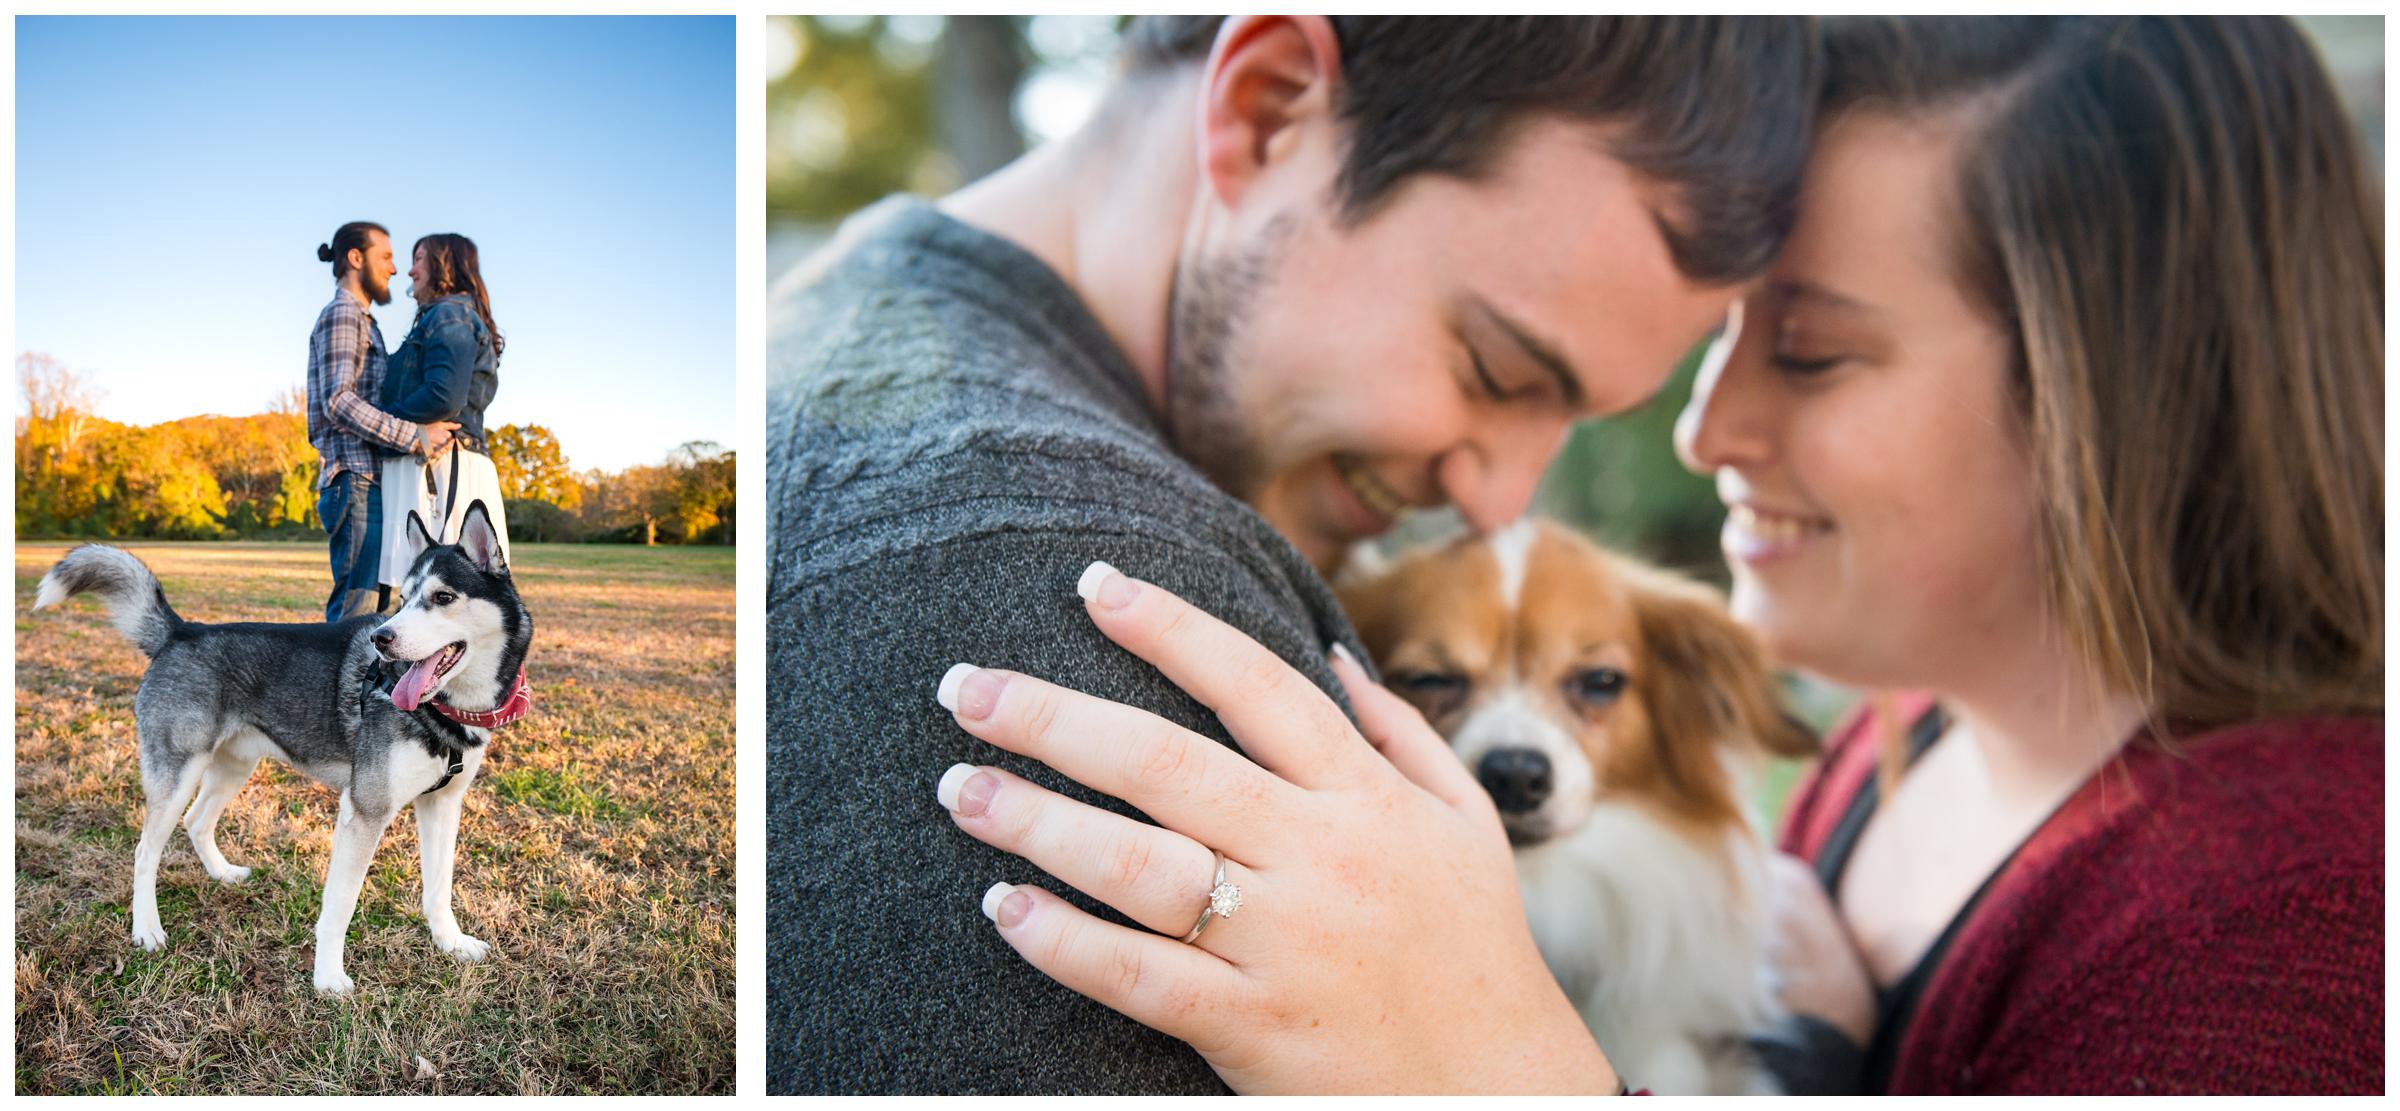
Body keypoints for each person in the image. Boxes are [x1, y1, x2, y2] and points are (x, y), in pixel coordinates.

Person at [928, 14, 2383, 1095]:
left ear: (2119, 391)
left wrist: (1498, 1066)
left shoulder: (2293, 920)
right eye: (1720, 340)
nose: (1705, 429)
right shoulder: (1888, 758)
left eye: (1808, 351)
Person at [765, 15, 1818, 1093]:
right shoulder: (1092, 594)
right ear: (1266, 111)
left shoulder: (833, 329)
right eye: (1494, 368)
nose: (1494, 496)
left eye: (1574, 419)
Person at [306, 221, 458, 621]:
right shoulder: (343, 315)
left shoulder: (363, 321)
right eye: (386, 257)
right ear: (356, 258)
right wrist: (415, 435)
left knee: (375, 609)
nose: (394, 269)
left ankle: (363, 686)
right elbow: (338, 401)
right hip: (354, 479)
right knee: (357, 610)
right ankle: (338, 687)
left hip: (369, 480)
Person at [376, 232, 513, 583]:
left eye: (418, 259)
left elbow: (444, 395)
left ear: (444, 265)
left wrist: (382, 422)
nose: (409, 271)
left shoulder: (449, 315)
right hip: (434, 463)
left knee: (446, 590)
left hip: (441, 466)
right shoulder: (442, 316)